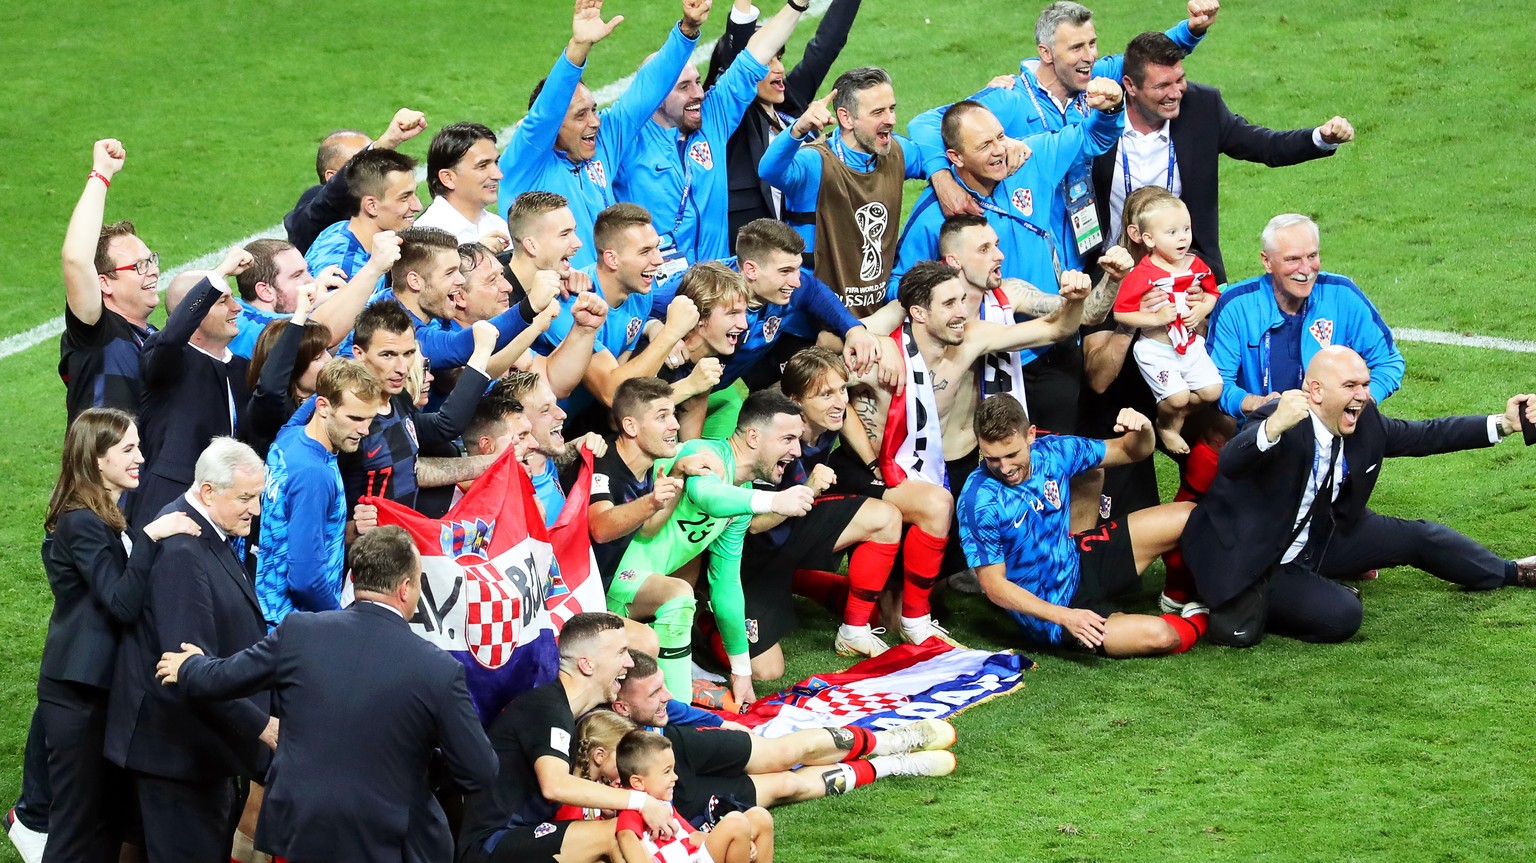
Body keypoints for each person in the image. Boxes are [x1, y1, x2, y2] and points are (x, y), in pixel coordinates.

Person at [155, 527, 498, 863]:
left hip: (301, 829)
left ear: (354, 578)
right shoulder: (438, 668)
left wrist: (188, 667)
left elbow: (223, 678)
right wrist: (425, 765)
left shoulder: (300, 633)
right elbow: (479, 770)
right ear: (406, 588)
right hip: (389, 841)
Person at [1183, 347, 1536, 647]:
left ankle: (1510, 573)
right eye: (1350, 385)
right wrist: (1273, 427)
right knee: (1342, 615)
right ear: (1316, 391)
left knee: (1418, 536)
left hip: (1323, 535)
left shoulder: (1365, 423)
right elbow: (1231, 461)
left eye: (1365, 384)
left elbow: (1426, 435)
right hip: (1261, 554)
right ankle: (1239, 601)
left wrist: (1503, 424)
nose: (1362, 395)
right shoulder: (1282, 419)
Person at [907, 1, 1216, 272]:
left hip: (1084, 249)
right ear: (1046, 53)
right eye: (1077, 48)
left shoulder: (1092, 80)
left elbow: (1142, 62)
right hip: (1029, 252)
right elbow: (928, 122)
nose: (1090, 56)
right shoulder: (1009, 99)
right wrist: (941, 177)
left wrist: (1191, 29)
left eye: (1092, 43)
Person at [892, 91, 1123, 438]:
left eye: (1001, 137)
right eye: (985, 145)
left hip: (1051, 347)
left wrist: (1110, 109)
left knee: (1060, 460)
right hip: (982, 363)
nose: (1000, 150)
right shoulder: (935, 214)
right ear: (955, 157)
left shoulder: (1031, 162)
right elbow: (902, 286)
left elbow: (1092, 136)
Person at [31, 409, 199, 863]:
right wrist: (152, 537)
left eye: (138, 446)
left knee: (105, 818)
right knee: (76, 825)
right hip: (80, 693)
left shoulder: (101, 512)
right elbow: (120, 601)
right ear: (97, 459)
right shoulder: (81, 521)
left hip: (101, 689)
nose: (141, 457)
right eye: (128, 449)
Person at [106, 438, 274, 863]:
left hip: (190, 748)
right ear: (207, 492)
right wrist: (261, 726)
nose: (255, 509)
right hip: (178, 751)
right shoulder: (183, 550)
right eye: (246, 498)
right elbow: (188, 668)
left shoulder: (203, 530)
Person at [957, 394, 1208, 657]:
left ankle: (1179, 594)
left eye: (1011, 454)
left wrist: (1144, 428)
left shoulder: (1053, 452)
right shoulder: (980, 501)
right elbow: (993, 586)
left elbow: (1130, 450)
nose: (1005, 467)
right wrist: (1065, 617)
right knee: (1161, 636)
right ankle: (1206, 617)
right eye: (992, 459)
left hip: (1077, 558)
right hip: (1051, 612)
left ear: (1030, 435)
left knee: (1188, 515)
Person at [1092, 31, 1353, 281]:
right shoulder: (1097, 114)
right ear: (1130, 86)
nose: (1175, 93)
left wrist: (1321, 138)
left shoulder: (1202, 108)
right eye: (1162, 85)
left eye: (1179, 80)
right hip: (1111, 269)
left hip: (1187, 273)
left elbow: (1265, 145)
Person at [615, 389, 817, 705]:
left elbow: (725, 583)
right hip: (609, 577)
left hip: (641, 590)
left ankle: (677, 689)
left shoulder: (743, 495)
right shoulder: (701, 452)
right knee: (679, 595)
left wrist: (741, 670)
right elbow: (709, 496)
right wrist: (773, 501)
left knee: (681, 594)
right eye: (788, 439)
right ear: (753, 436)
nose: (797, 451)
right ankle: (678, 707)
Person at [738, 356, 930, 673]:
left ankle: (852, 630)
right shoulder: (772, 439)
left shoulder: (825, 421)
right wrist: (809, 490)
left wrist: (873, 465)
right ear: (795, 401)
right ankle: (707, 620)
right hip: (755, 556)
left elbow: (846, 416)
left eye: (842, 390)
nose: (840, 401)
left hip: (794, 528)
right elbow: (754, 525)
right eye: (826, 394)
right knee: (767, 671)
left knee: (885, 517)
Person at [609, 652, 956, 824]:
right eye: (655, 693)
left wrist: (724, 724)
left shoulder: (657, 710)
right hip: (669, 795)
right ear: (621, 707)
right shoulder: (601, 734)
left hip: (680, 747)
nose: (667, 696)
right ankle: (893, 766)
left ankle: (889, 741)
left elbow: (686, 712)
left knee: (781, 754)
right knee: (784, 786)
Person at [498, 0, 714, 268]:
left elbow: (646, 90)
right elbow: (547, 111)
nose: (595, 122)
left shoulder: (603, 144)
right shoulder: (525, 163)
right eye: (580, 115)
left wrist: (688, 29)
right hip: (553, 301)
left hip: (608, 296)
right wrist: (579, 47)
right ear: (552, 128)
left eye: (594, 110)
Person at [457, 612, 666, 863]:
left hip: (520, 837)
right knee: (616, 834)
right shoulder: (547, 709)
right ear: (587, 664)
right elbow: (555, 785)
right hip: (491, 845)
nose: (630, 663)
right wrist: (640, 801)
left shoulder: (563, 712)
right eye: (621, 652)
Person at [613, 0, 807, 269]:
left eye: (696, 81)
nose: (698, 93)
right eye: (684, 87)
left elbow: (756, 55)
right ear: (654, 97)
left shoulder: (713, 119)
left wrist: (797, 5)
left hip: (715, 288)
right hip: (653, 295)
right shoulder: (624, 142)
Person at [757, 66, 943, 316]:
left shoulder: (895, 152)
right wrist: (799, 129)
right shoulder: (816, 162)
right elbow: (769, 171)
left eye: (892, 108)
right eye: (878, 112)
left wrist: (943, 177)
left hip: (877, 313)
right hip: (814, 322)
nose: (891, 119)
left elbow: (941, 149)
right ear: (846, 118)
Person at [1206, 214, 1405, 420]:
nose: (1306, 270)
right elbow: (1215, 384)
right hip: (1261, 434)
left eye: (1312, 256)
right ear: (1267, 261)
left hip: (1331, 432)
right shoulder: (1236, 306)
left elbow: (1389, 361)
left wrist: (1361, 402)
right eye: (1293, 259)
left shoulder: (1342, 296)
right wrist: (1256, 403)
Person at [706, 0, 863, 246]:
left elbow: (826, 46)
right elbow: (738, 58)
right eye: (768, 61)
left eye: (779, 58)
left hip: (806, 244)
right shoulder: (731, 119)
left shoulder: (791, 100)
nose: (779, 69)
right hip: (755, 252)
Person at [337, 300, 497, 520]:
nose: (402, 368)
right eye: (388, 355)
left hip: (400, 543)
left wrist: (491, 462)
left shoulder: (398, 397)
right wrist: (352, 531)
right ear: (359, 354)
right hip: (361, 550)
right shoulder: (345, 415)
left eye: (408, 353)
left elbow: (441, 430)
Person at [131, 249, 256, 530]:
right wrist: (220, 271)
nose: (237, 308)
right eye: (223, 301)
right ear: (195, 313)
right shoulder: (167, 359)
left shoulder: (242, 369)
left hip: (228, 513)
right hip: (169, 509)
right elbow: (173, 335)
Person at [535, 204, 700, 416]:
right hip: (540, 428)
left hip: (588, 417)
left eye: (656, 248)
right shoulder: (571, 305)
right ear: (612, 259)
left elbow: (621, 374)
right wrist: (671, 333)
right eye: (645, 252)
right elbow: (612, 394)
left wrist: (653, 326)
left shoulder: (641, 293)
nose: (658, 260)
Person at [257, 360, 385, 624]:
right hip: (295, 626)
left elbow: (317, 398)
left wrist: (343, 373)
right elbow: (306, 579)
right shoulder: (314, 475)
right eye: (355, 418)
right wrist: (340, 622)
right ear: (324, 407)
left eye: (369, 419)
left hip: (270, 614)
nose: (364, 430)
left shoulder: (289, 435)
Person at [59, 139, 160, 422]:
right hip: (100, 466)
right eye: (139, 266)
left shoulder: (150, 334)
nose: (152, 270)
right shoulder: (97, 332)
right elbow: (76, 260)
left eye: (151, 260)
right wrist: (101, 173)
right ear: (104, 283)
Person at [1111, 194, 1220, 453]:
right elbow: (1121, 313)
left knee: (1212, 391)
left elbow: (1212, 292)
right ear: (1149, 239)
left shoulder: (1196, 264)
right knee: (1177, 397)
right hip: (1157, 350)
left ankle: (1178, 414)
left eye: (1186, 229)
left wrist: (1203, 307)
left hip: (1190, 344)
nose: (1183, 237)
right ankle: (1166, 424)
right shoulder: (1142, 274)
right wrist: (1156, 319)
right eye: (1172, 232)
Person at [283, 108, 428, 254]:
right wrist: (385, 143)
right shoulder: (314, 213)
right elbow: (327, 202)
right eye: (361, 163)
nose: (376, 170)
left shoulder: (386, 216)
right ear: (333, 178)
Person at [613, 730, 769, 863]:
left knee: (760, 816)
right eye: (667, 771)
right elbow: (626, 837)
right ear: (637, 782)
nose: (675, 777)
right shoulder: (631, 811)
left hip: (695, 855)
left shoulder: (662, 805)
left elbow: (692, 835)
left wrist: (742, 841)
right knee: (736, 822)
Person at [305, 148, 424, 287]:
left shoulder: (341, 228)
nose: (418, 206)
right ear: (372, 206)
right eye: (404, 198)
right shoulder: (345, 272)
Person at [417, 122, 512, 247]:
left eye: (496, 162)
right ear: (448, 178)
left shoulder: (498, 225)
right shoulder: (427, 239)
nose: (498, 175)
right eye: (482, 166)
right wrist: (479, 254)